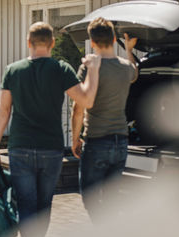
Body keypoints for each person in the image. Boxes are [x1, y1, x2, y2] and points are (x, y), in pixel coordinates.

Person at [0, 22, 101, 237]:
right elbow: (87, 101)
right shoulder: (61, 69)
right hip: (51, 149)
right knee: (44, 204)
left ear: (28, 43)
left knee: (26, 203)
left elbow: (3, 110)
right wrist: (94, 69)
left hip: (20, 147)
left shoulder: (13, 70)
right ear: (52, 43)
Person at [71, 17, 138, 221]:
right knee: (111, 199)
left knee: (90, 198)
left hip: (96, 140)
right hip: (121, 142)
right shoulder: (126, 67)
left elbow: (78, 108)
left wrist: (75, 139)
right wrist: (128, 50)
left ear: (92, 42)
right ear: (113, 38)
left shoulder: (90, 67)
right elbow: (135, 73)